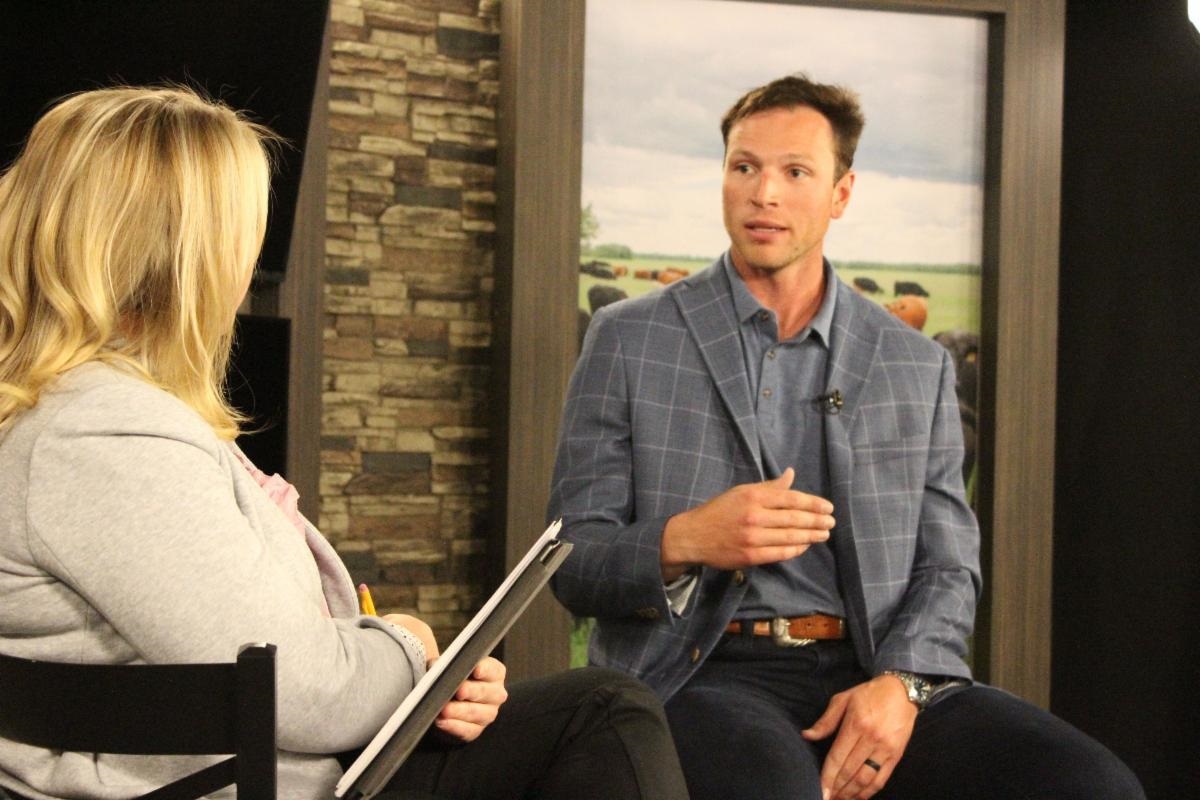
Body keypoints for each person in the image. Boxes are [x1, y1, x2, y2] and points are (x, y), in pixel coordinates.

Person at [0, 86, 688, 800]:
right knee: (604, 715)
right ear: (184, 252)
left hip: (259, 766)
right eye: (243, 233)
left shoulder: (77, 412)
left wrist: (413, 672)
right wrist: (410, 648)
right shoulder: (105, 437)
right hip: (257, 783)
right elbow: (301, 688)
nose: (249, 267)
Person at [548, 74, 1144, 800]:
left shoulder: (914, 363)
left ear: (841, 193)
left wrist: (900, 685)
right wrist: (687, 538)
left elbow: (949, 568)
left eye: (795, 171)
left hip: (874, 672)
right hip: (704, 672)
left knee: (1093, 786)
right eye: (745, 167)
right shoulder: (628, 338)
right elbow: (572, 559)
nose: (764, 192)